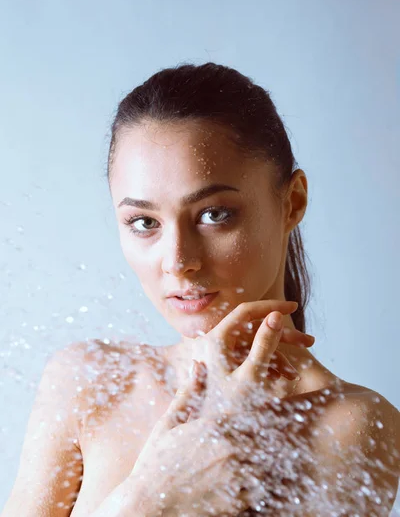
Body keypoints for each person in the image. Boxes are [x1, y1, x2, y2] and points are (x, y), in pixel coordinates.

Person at [2, 62, 399, 517]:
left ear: (292, 203)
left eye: (214, 215)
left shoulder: (350, 425)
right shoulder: (88, 382)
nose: (178, 261)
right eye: (144, 223)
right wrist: (149, 498)